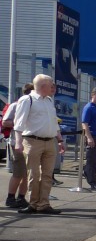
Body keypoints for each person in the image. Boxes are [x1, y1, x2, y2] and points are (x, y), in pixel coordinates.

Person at [11, 75, 65, 214]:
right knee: (34, 174)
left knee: (47, 175)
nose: (52, 87)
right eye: (50, 84)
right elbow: (19, 123)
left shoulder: (48, 100)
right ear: (42, 86)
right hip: (32, 141)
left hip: (49, 141)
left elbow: (53, 122)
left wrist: (59, 140)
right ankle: (34, 203)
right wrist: (18, 142)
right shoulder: (27, 100)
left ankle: (44, 204)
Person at [3, 83, 33, 210]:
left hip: (30, 144)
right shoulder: (16, 105)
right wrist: (20, 121)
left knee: (26, 173)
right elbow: (5, 122)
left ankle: (21, 197)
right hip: (17, 143)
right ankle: (10, 198)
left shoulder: (35, 105)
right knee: (18, 173)